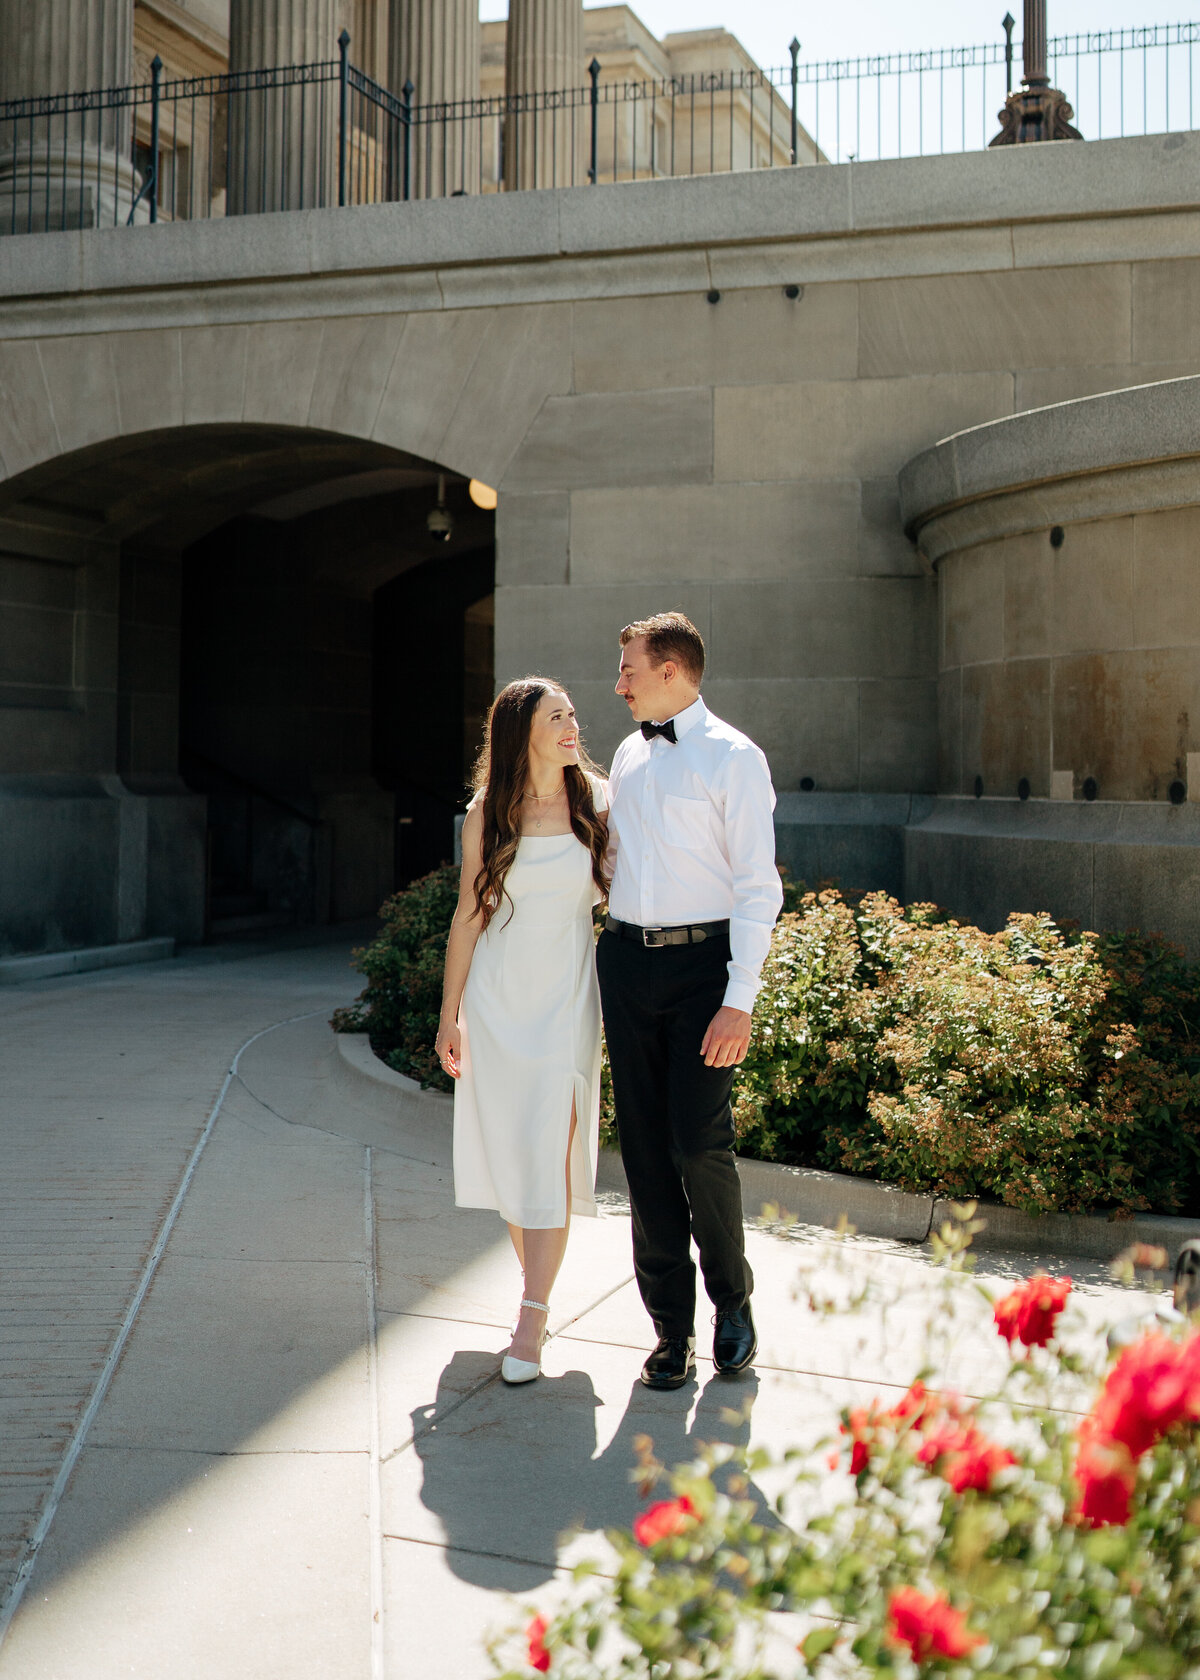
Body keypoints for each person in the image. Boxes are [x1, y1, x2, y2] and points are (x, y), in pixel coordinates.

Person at [597, 613, 783, 1391]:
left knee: (699, 1143)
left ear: (670, 670)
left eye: (630, 669)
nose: (619, 684)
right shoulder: (627, 755)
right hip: (627, 965)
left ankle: (731, 1305)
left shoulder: (734, 758)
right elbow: (611, 860)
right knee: (641, 1152)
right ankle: (669, 1330)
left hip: (706, 970)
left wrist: (739, 999)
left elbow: (757, 887)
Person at [435, 677, 609, 1385]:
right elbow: (469, 915)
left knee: (550, 1151)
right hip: (498, 999)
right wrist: (450, 1012)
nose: (573, 727)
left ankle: (531, 1319)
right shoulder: (488, 812)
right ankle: (537, 1287)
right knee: (511, 1155)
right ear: (523, 733)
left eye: (572, 715)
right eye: (557, 718)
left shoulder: (596, 800)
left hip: (567, 997)